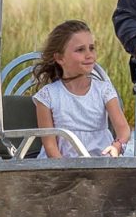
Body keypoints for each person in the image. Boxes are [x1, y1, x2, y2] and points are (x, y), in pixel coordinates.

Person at [32, 19, 130, 158]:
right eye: (80, 50)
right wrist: (69, 173)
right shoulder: (47, 96)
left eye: (91, 48)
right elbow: (50, 146)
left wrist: (117, 146)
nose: (89, 55)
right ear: (60, 58)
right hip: (59, 167)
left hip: (100, 163)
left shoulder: (104, 90)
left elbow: (123, 129)